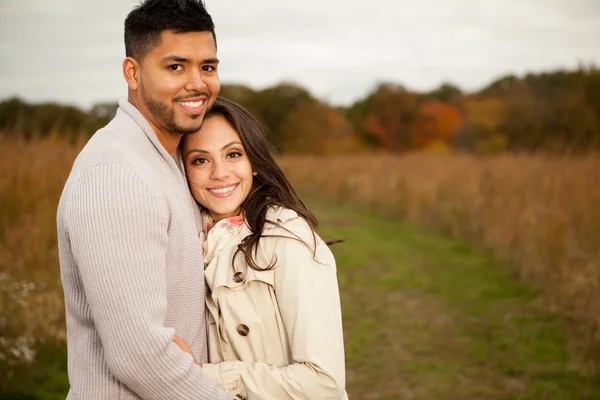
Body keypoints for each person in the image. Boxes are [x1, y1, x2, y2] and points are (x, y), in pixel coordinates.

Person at [56, 0, 230, 398]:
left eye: (208, 67)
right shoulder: (117, 174)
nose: (197, 83)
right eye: (175, 66)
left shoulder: (165, 160)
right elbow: (140, 355)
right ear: (132, 72)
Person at [176, 97, 348, 399]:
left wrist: (204, 377)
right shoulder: (187, 238)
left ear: (253, 161)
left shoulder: (287, 239)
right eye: (200, 160)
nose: (219, 173)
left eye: (233, 154)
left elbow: (325, 383)